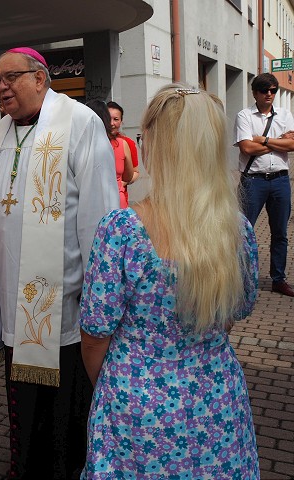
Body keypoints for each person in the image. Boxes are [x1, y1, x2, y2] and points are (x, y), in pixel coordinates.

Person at [80, 85, 260, 478]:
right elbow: (232, 313)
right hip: (216, 401)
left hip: (136, 405)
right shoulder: (237, 230)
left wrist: (114, 387)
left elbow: (95, 336)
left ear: (154, 146)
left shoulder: (122, 230)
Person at [0, 47, 119, 479]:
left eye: (9, 78)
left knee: (62, 402)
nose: (0, 88)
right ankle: (28, 465)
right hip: (12, 285)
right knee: (23, 392)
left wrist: (99, 283)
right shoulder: (2, 129)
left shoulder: (79, 122)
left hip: (65, 295)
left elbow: (99, 209)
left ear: (40, 78)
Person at [235, 72, 294, 297]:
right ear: (255, 93)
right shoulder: (244, 116)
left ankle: (278, 278)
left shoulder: (285, 115)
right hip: (253, 181)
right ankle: (241, 280)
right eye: (264, 90)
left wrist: (264, 139)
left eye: (273, 90)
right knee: (244, 231)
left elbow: (292, 145)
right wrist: (281, 142)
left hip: (280, 180)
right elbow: (247, 149)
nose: (269, 94)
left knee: (280, 233)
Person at [86, 99, 134, 207]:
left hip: (92, 203)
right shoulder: (122, 144)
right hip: (117, 201)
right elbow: (128, 176)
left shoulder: (84, 144)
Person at [108, 101, 140, 204]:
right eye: (108, 119)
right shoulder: (95, 141)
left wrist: (122, 182)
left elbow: (135, 172)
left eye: (116, 119)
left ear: (121, 121)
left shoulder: (127, 143)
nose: (111, 123)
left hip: (120, 199)